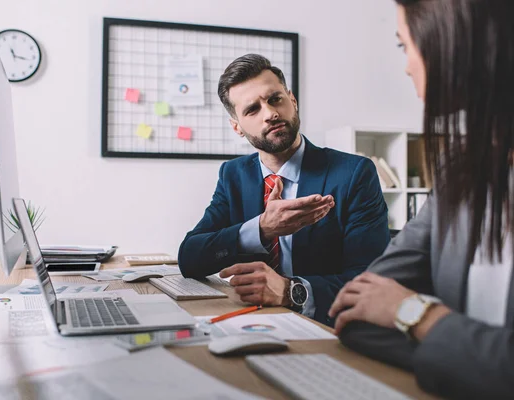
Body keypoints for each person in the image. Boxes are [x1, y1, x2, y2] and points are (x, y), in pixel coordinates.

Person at [328, 0, 514, 397]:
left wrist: (417, 315)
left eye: (404, 46)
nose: (407, 65)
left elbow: (388, 306)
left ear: (456, 44)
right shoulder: (459, 170)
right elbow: (357, 312)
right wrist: (473, 359)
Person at [178, 54, 390, 325]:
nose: (270, 114)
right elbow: (189, 257)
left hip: (327, 326)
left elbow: (369, 282)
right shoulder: (234, 174)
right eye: (252, 109)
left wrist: (290, 292)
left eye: (275, 99)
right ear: (237, 127)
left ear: (293, 100)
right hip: (255, 322)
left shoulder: (353, 173)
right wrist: (262, 229)